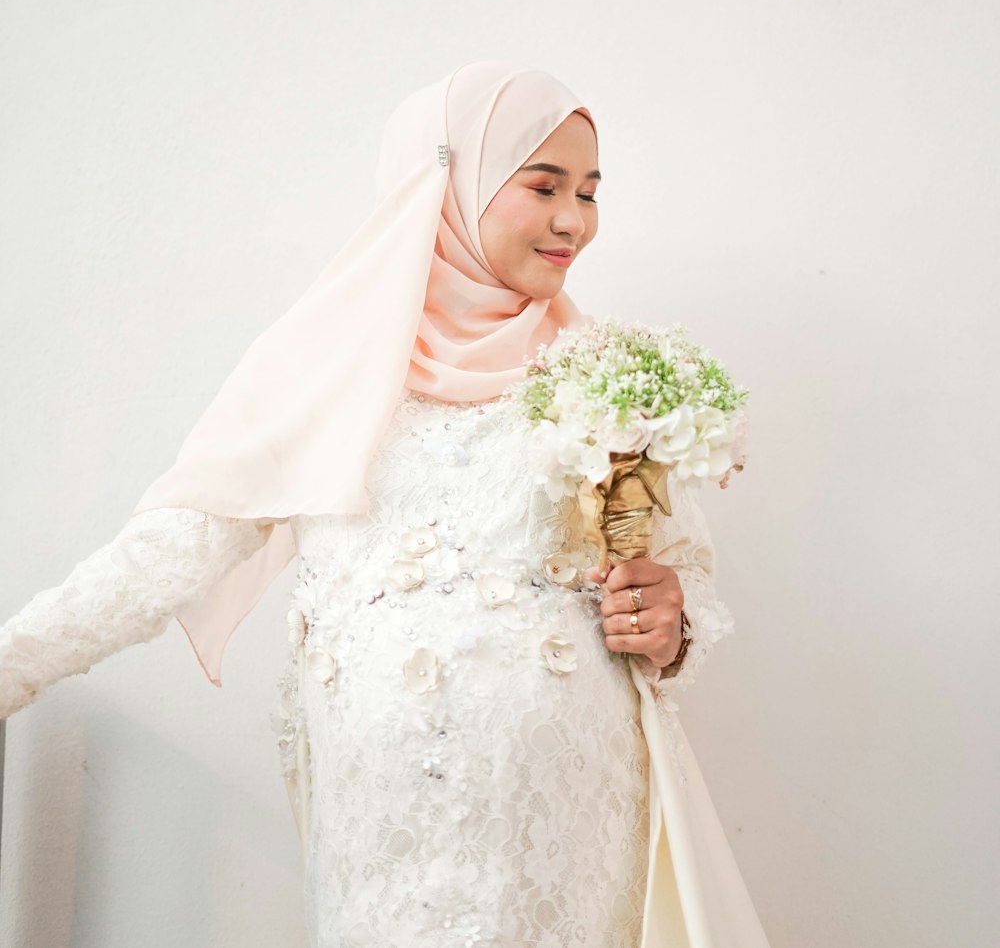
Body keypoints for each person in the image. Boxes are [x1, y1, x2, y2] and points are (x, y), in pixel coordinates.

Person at [0, 61, 771, 948]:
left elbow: (684, 577)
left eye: (590, 192)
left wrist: (671, 622)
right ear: (445, 183)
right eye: (544, 184)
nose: (574, 221)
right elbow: (165, 554)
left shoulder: (599, 371)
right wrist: (12, 661)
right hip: (383, 807)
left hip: (567, 803)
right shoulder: (321, 365)